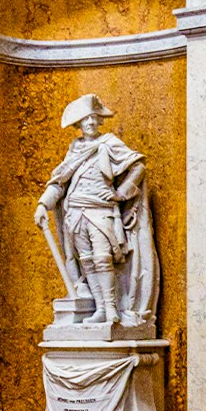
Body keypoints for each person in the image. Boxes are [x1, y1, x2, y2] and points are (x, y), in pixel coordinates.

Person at [33, 94, 160, 327]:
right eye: (85, 119)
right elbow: (59, 182)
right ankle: (100, 308)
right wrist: (43, 204)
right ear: (78, 125)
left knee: (103, 258)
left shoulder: (109, 143)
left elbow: (138, 166)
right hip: (75, 213)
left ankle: (112, 310)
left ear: (99, 121)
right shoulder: (74, 150)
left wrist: (121, 193)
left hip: (100, 211)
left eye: (93, 118)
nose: (90, 123)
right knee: (87, 260)